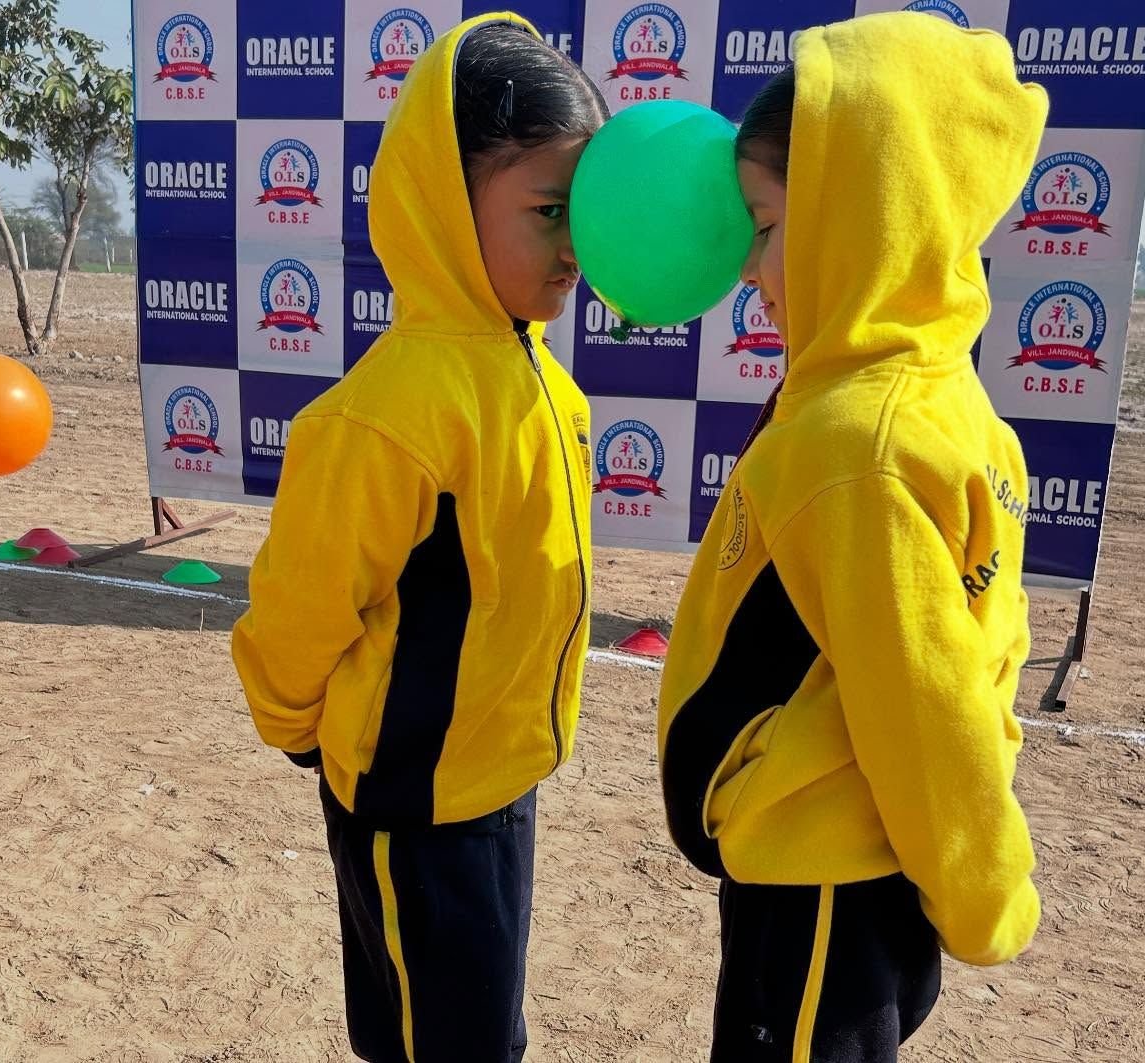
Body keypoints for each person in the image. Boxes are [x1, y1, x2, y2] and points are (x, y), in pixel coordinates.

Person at [656, 14, 1049, 1061]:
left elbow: (929, 709)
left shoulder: (856, 444)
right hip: (853, 882)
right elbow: (992, 647)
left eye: (766, 225)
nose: (748, 269)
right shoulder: (948, 409)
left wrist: (988, 890)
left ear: (864, 212)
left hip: (819, 890)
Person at [231, 14, 606, 1062]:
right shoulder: (388, 414)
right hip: (415, 808)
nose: (575, 244)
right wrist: (303, 729)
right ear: (443, 202)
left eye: (585, 211)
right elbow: (300, 608)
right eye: (547, 210)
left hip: (499, 783)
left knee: (480, 1034)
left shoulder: (544, 379)